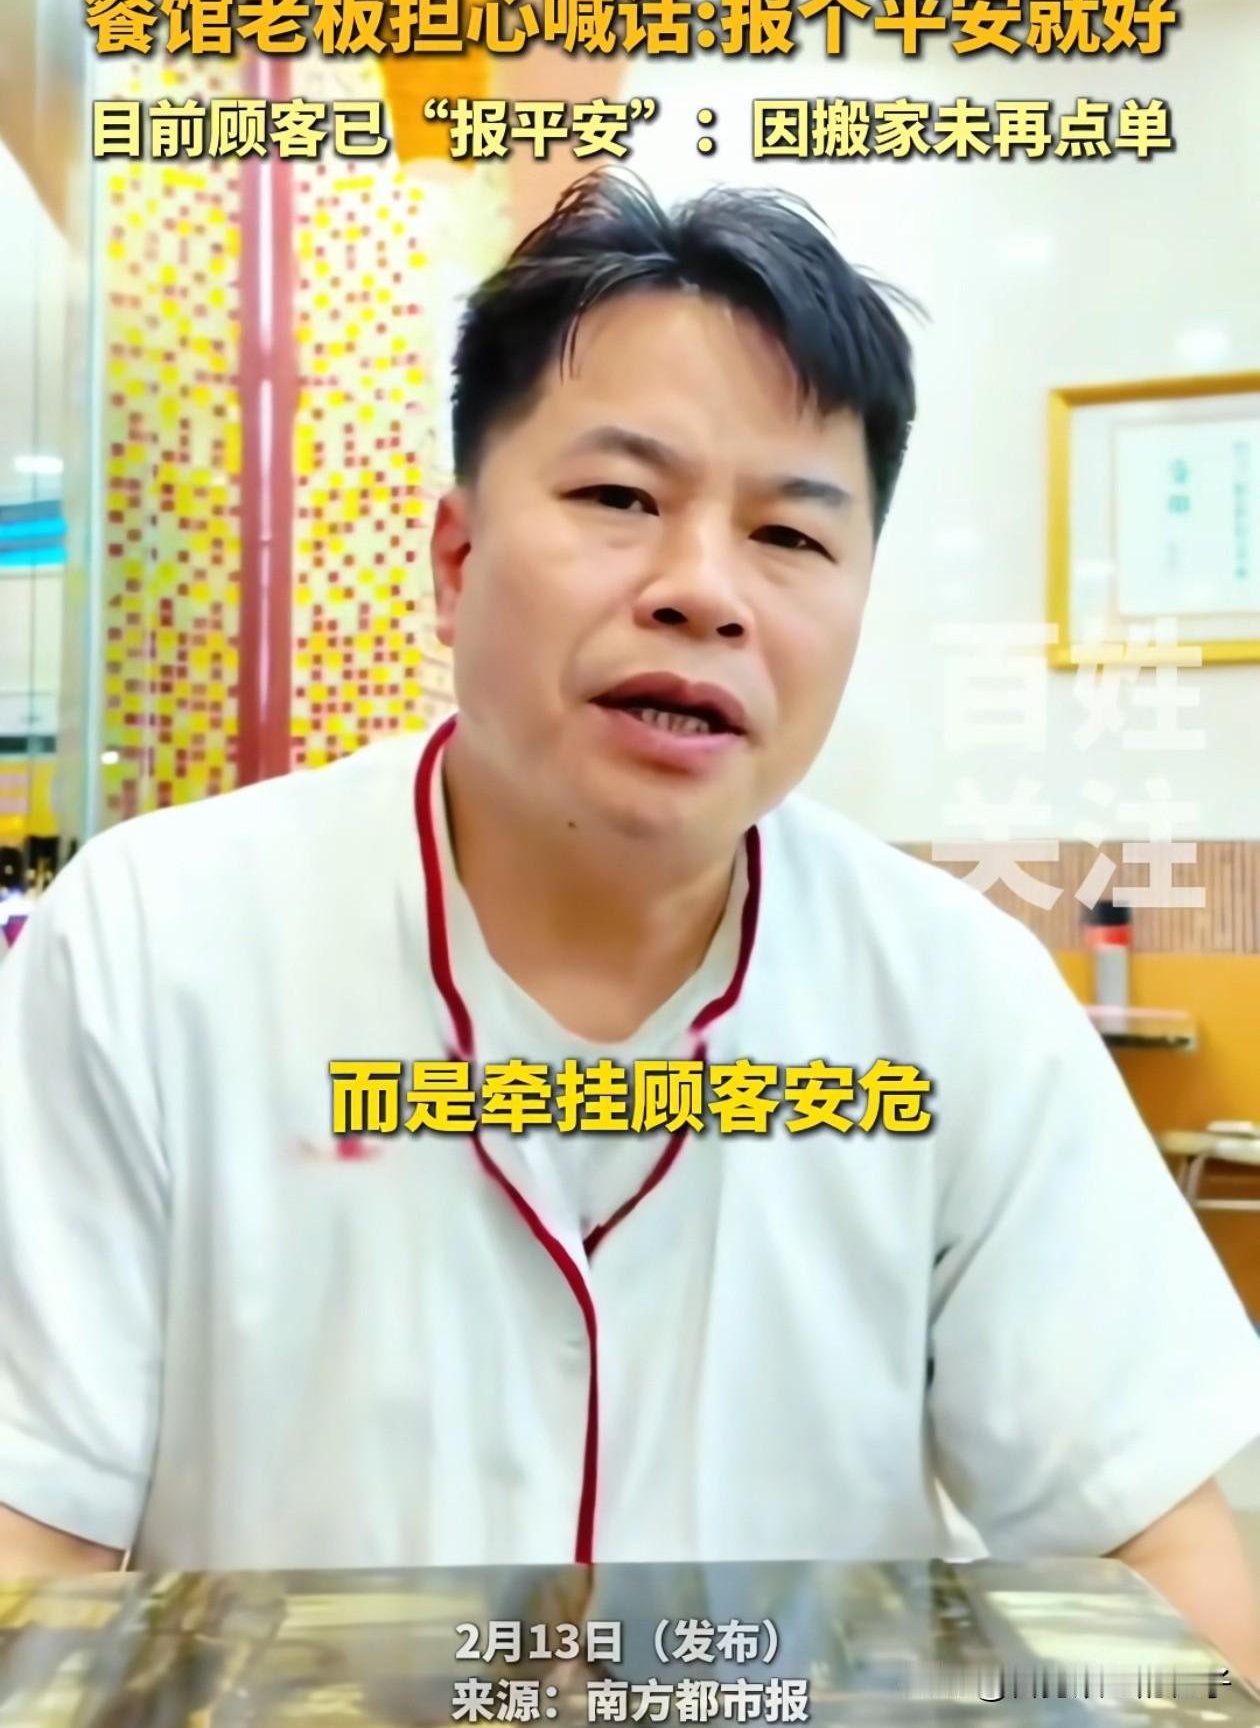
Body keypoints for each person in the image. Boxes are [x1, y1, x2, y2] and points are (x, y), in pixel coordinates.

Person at [1, 175, 1258, 1679]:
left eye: (791, 535)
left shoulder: (961, 998)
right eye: (620, 500)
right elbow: (31, 1539)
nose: (703, 592)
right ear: (457, 560)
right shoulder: (150, 945)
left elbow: (1150, 1555)